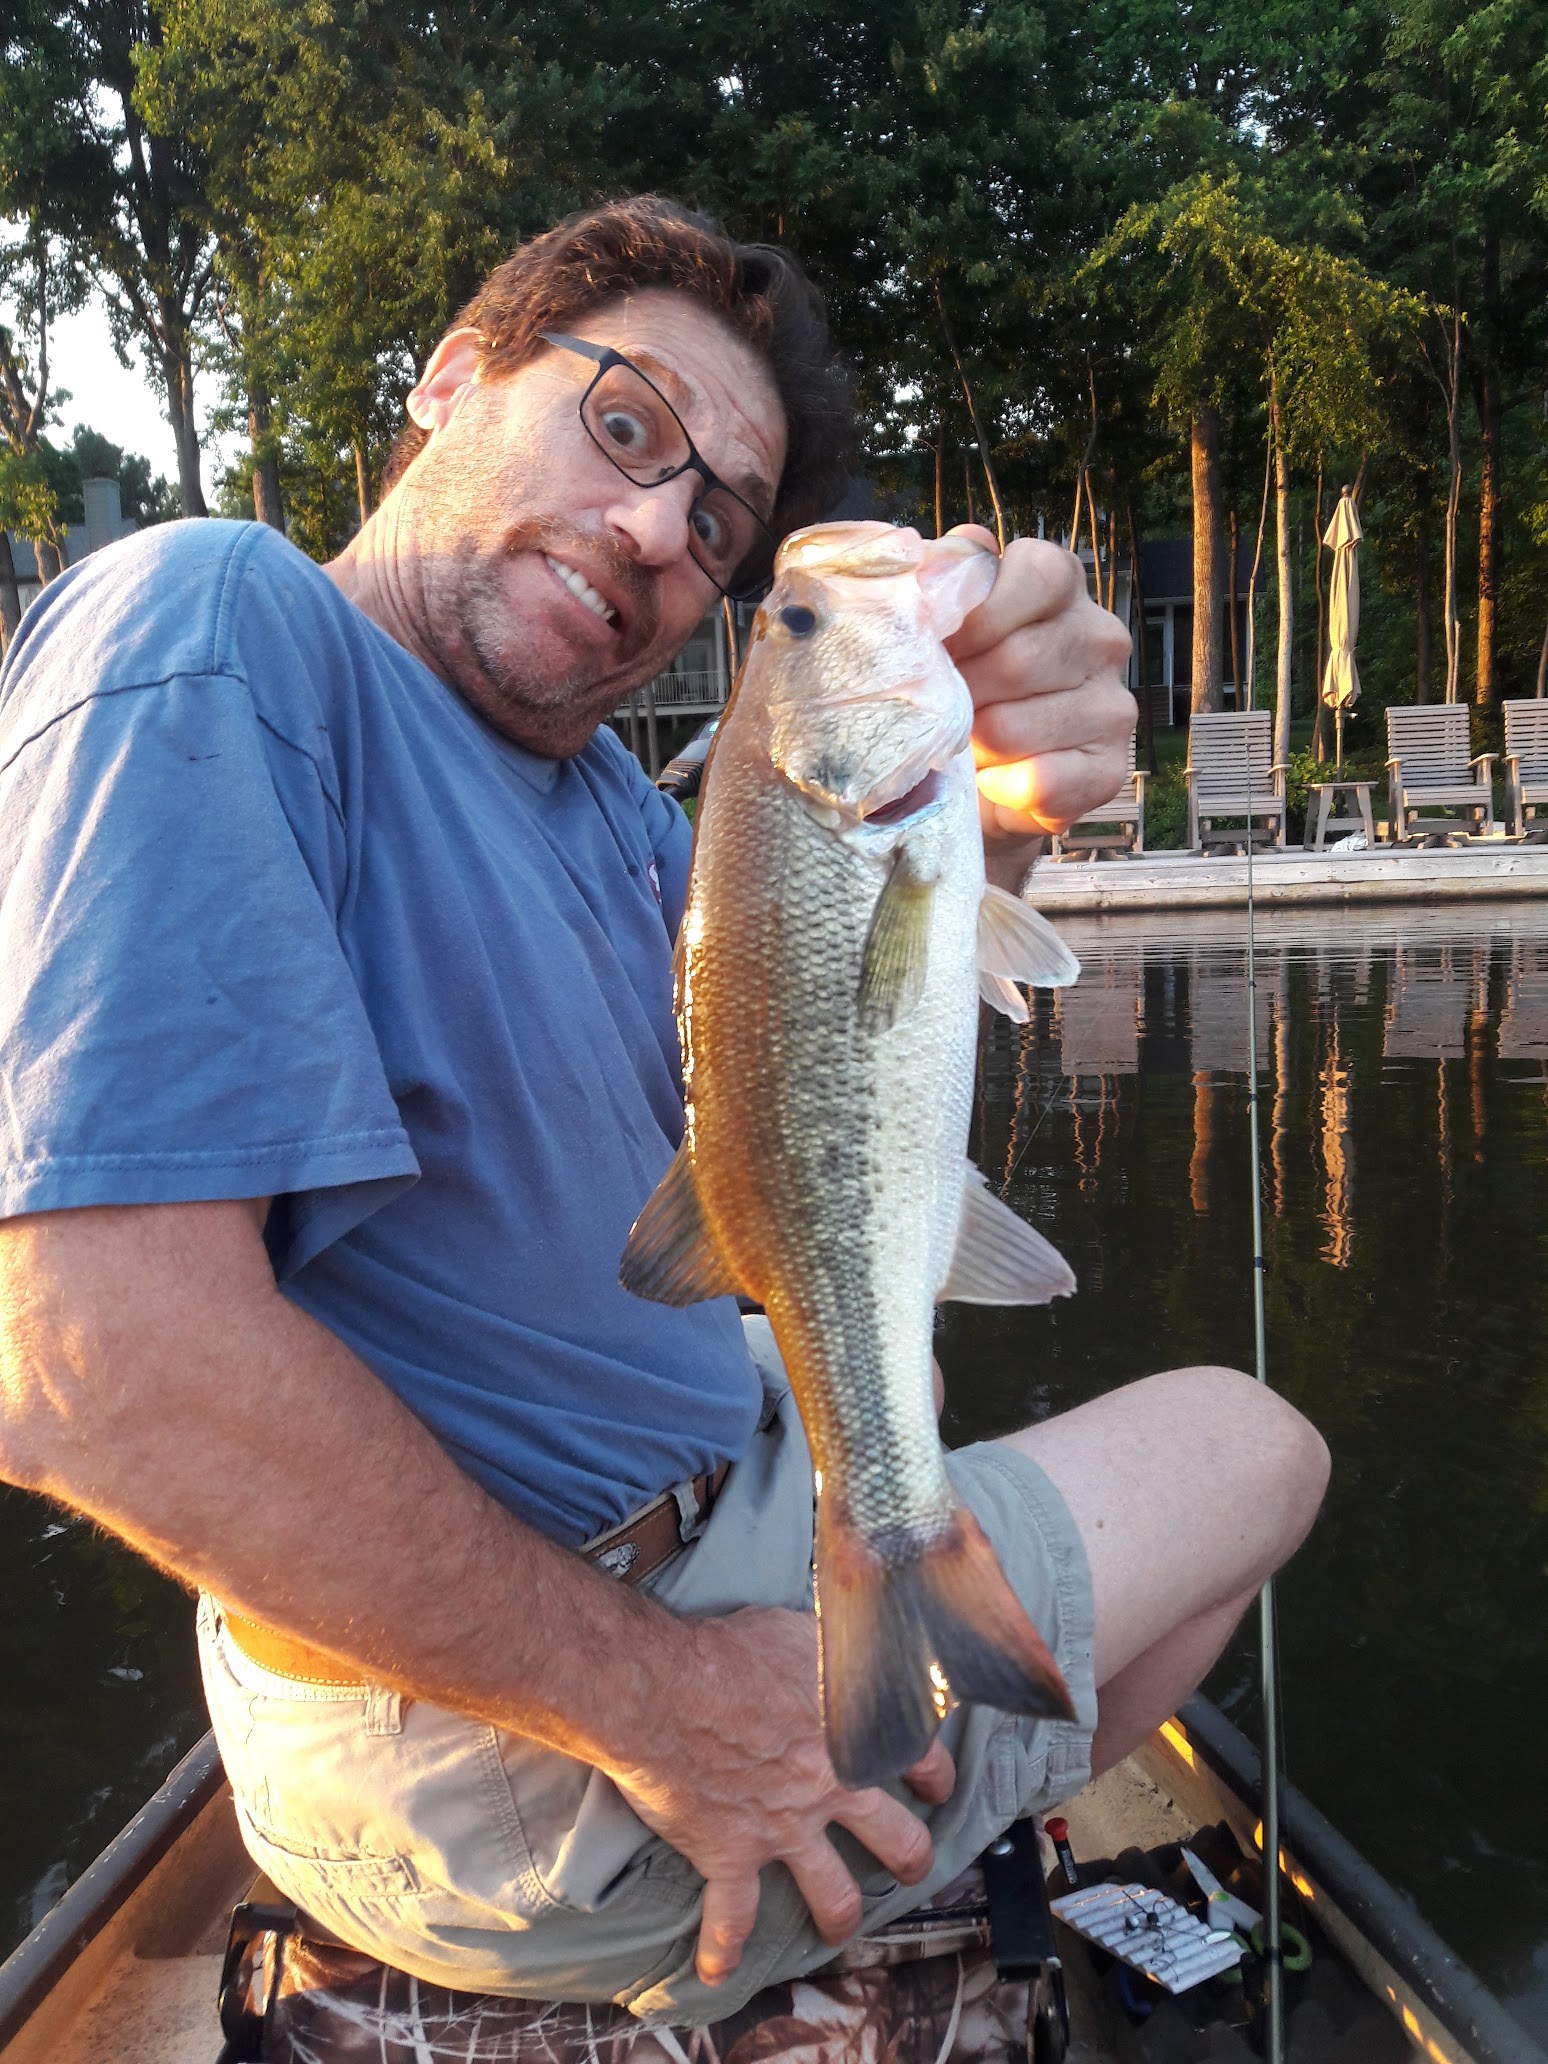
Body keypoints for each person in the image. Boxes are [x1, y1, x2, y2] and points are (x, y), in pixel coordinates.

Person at [0, 197, 1328, 2023]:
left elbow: (829, 1043)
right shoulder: (218, 618)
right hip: (519, 1729)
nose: (654, 531)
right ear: (450, 381)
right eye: (625, 426)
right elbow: (82, 1361)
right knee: (1255, 1449)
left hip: (656, 1552)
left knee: (893, 1382)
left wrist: (1000, 800)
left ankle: (858, 1787)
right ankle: (837, 1838)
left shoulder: (618, 815)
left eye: (718, 530)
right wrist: (665, 1707)